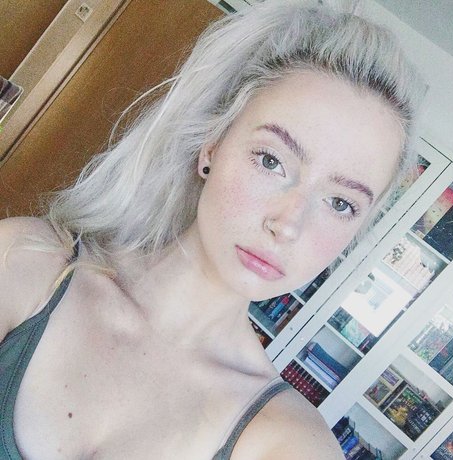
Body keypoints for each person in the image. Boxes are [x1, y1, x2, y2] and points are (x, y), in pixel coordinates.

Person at [0, 0, 424, 458]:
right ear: (213, 145)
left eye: (340, 203)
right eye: (271, 160)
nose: (287, 224)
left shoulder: (290, 442)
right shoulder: (25, 263)